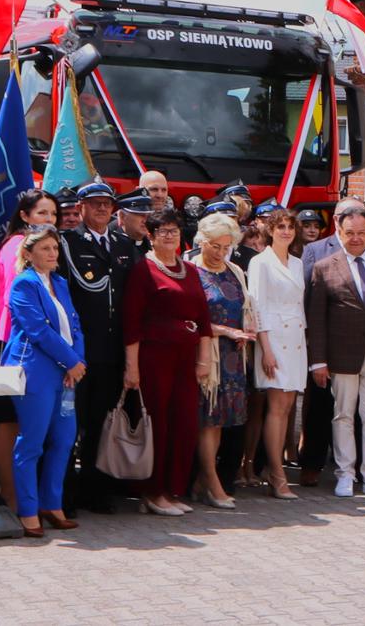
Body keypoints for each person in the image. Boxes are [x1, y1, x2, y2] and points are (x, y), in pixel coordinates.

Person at [123, 208, 214, 515]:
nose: (171, 236)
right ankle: (152, 491)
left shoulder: (189, 269)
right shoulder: (143, 270)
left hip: (186, 359)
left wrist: (204, 360)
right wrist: (132, 367)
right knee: (158, 424)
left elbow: (203, 318)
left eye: (175, 231)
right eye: (163, 231)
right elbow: (132, 323)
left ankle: (173, 489)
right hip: (154, 357)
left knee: (185, 423)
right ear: (150, 236)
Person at [305, 206, 365, 498]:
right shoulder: (324, 267)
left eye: (362, 233)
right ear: (339, 231)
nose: (357, 239)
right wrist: (318, 361)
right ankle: (345, 474)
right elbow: (316, 319)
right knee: (343, 416)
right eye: (350, 233)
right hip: (341, 356)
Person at [59, 178, 138, 514]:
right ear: (81, 208)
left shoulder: (123, 244)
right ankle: (64, 493)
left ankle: (94, 488)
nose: (102, 208)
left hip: (110, 351)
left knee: (100, 423)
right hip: (79, 350)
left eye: (107, 203)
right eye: (95, 203)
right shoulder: (66, 243)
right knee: (69, 425)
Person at [3, 228, 87, 538]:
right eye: (45, 249)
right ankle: (27, 509)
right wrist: (71, 361)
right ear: (28, 253)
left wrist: (78, 361)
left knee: (64, 439)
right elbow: (38, 330)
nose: (53, 254)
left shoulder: (61, 282)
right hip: (36, 370)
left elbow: (75, 324)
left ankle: (52, 504)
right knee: (32, 443)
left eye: (55, 248)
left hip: (66, 371)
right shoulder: (23, 284)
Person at [0, 188, 57, 510]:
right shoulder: (16, 247)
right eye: (42, 213)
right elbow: (24, 300)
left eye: (52, 214)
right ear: (24, 216)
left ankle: (25, 492)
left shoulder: (47, 249)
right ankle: (9, 492)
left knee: (29, 423)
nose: (49, 219)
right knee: (8, 421)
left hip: (36, 346)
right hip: (9, 343)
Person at [189, 213, 253, 509]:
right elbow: (191, 318)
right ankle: (213, 484)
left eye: (226, 247)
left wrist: (244, 330)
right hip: (205, 356)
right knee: (207, 421)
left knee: (221, 422)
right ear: (202, 241)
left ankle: (205, 480)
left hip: (232, 357)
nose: (220, 252)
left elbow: (245, 307)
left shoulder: (235, 270)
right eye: (215, 246)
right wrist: (227, 330)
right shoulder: (191, 271)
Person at [245, 205, 307, 500]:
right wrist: (266, 350)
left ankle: (275, 470)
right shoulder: (261, 262)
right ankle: (276, 472)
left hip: (295, 337)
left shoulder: (297, 263)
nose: (285, 231)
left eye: (290, 227)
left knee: (287, 406)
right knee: (276, 407)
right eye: (280, 227)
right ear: (270, 230)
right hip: (273, 339)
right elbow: (258, 307)